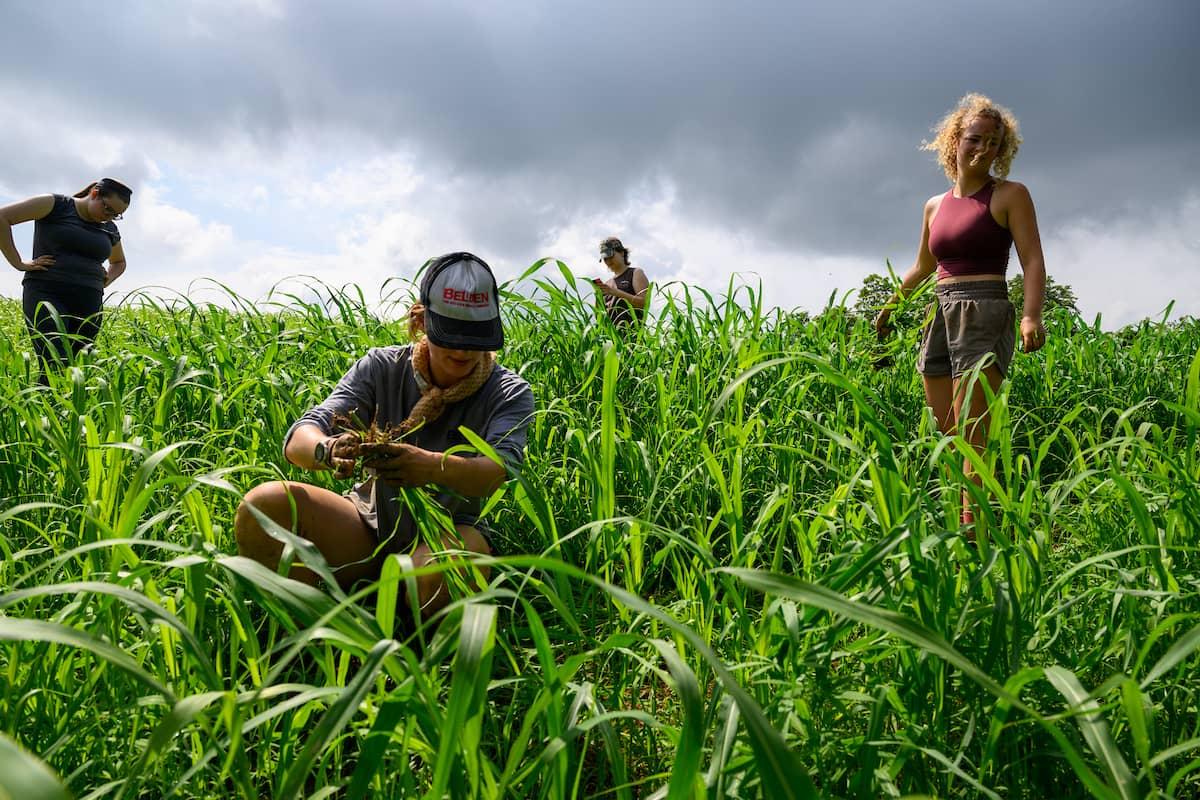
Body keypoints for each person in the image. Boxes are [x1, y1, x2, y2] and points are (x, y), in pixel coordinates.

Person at [235, 252, 535, 620]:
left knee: (435, 572)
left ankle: (409, 636)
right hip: (367, 523)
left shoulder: (508, 391)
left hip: (454, 532)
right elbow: (300, 437)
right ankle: (315, 629)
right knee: (264, 506)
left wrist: (428, 468)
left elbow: (497, 472)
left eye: (474, 339)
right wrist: (328, 450)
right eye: (450, 336)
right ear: (421, 321)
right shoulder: (381, 367)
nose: (462, 350)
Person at [874, 93, 1046, 531]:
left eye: (993, 142)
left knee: (974, 434)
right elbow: (924, 266)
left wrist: (1030, 315)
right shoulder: (934, 205)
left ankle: (975, 535)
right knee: (948, 432)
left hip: (984, 311)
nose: (983, 149)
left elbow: (1032, 260)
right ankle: (964, 521)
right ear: (955, 141)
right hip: (941, 313)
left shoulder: (1010, 195)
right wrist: (892, 306)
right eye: (975, 139)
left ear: (1002, 150)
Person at [0, 178, 132, 374]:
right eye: (107, 209)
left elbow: (119, 262)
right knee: (54, 360)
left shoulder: (109, 228)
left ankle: (51, 403)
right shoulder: (55, 205)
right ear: (95, 193)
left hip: (89, 300)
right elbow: (3, 217)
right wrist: (18, 263)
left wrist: (107, 279)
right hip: (47, 292)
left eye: (116, 215)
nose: (109, 217)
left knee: (69, 366)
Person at [593, 236, 649, 327]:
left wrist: (616, 292)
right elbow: (599, 318)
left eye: (610, 256)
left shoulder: (635, 273)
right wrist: (598, 299)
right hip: (613, 339)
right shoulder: (607, 284)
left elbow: (644, 304)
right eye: (605, 258)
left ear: (622, 253)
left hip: (634, 336)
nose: (608, 261)